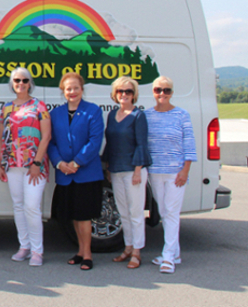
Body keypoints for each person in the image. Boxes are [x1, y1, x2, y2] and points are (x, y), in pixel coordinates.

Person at [47, 72, 104, 271]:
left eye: (76, 88)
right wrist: (59, 163)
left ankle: (87, 254)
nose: (72, 92)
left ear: (82, 89)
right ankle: (80, 251)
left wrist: (77, 163)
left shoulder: (93, 111)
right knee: (73, 215)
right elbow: (50, 142)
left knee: (84, 216)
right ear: (63, 91)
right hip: (64, 174)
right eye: (68, 88)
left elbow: (95, 141)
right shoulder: (55, 114)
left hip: (86, 173)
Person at [0, 67, 51, 267]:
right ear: (12, 83)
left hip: (34, 166)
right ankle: (24, 246)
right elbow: (1, 137)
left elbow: (46, 137)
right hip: (12, 164)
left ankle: (37, 251)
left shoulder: (39, 106)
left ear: (30, 83)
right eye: (17, 80)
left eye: (24, 80)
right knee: (18, 206)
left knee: (31, 207)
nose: (21, 83)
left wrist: (36, 163)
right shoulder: (6, 107)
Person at [145, 75, 197, 274]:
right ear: (153, 92)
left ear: (172, 93)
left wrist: (185, 171)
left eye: (166, 90)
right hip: (155, 172)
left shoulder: (182, 115)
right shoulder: (148, 115)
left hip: (176, 173)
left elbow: (189, 145)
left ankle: (168, 258)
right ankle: (175, 253)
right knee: (165, 213)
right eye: (158, 90)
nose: (162, 94)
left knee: (172, 213)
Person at [102, 76, 152, 269]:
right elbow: (111, 143)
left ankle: (137, 252)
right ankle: (128, 247)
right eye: (121, 91)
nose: (124, 95)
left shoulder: (138, 116)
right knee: (122, 212)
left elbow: (142, 144)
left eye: (128, 92)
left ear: (134, 95)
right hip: (115, 169)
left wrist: (138, 170)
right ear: (115, 94)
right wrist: (107, 166)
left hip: (133, 170)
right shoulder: (112, 115)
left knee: (136, 211)